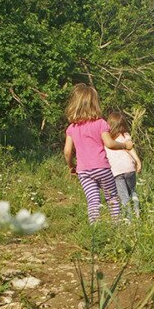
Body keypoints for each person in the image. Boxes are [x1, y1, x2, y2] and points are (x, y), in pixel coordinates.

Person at [62, 84, 133, 223]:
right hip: (102, 168)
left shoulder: (72, 128)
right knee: (112, 198)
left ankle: (95, 228)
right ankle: (116, 225)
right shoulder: (100, 123)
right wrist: (125, 145)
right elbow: (110, 144)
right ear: (95, 104)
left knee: (93, 200)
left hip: (84, 171)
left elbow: (67, 151)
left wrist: (71, 166)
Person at [104, 110, 141, 218]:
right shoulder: (125, 135)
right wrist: (138, 161)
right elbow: (130, 149)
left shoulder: (106, 139)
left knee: (123, 196)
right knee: (132, 191)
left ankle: (128, 219)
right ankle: (137, 214)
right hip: (129, 168)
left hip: (116, 171)